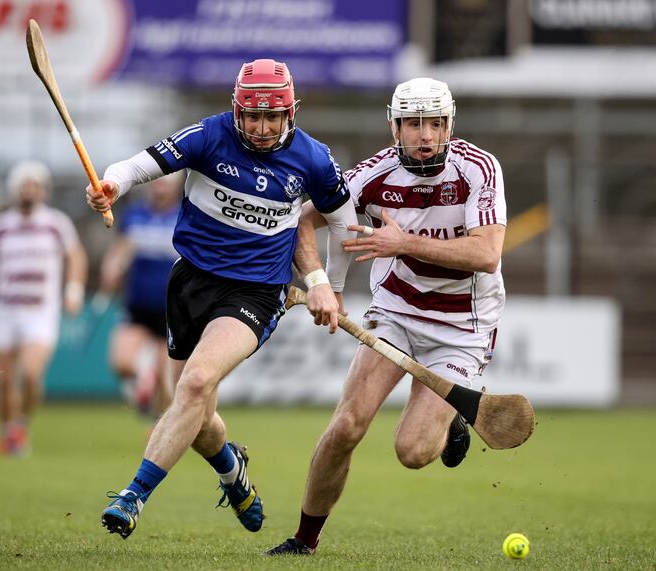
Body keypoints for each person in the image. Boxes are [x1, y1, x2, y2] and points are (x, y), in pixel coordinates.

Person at [86, 58, 357, 540]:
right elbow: (137, 165)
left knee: (194, 385)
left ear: (290, 113)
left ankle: (133, 496)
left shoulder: (313, 159)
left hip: (255, 291)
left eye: (271, 116)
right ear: (237, 110)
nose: (260, 127)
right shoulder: (210, 136)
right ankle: (234, 473)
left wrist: (328, 287)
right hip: (190, 282)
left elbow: (344, 223)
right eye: (251, 115)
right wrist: (112, 185)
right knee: (195, 412)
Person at [266, 77, 507, 555]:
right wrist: (322, 286)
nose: (424, 135)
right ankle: (303, 541)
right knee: (347, 426)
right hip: (396, 311)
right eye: (413, 124)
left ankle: (453, 417)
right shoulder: (372, 176)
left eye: (434, 124)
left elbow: (487, 254)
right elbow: (303, 220)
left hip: (463, 327)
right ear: (394, 127)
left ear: (448, 126)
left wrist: (402, 243)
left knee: (413, 451)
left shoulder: (478, 168)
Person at [0, 159, 88, 456]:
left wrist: (73, 289)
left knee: (30, 373)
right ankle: (6, 431)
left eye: (34, 185)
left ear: (43, 190)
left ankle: (20, 424)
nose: (29, 191)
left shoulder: (57, 224)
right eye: (24, 185)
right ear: (14, 190)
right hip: (4, 311)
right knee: (4, 380)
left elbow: (76, 257)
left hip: (40, 311)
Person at [98, 174, 183, 418]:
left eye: (165, 185)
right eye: (156, 184)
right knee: (122, 363)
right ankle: (145, 376)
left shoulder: (183, 216)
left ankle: (158, 428)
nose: (160, 189)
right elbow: (121, 249)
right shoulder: (135, 215)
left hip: (171, 308)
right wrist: (112, 268)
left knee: (167, 382)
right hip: (138, 304)